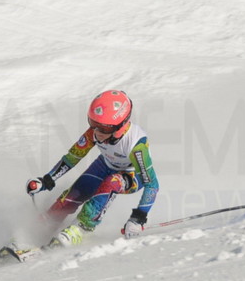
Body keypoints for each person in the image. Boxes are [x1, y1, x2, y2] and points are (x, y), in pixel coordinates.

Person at [26, 90, 159, 247]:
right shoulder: (94, 133)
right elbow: (72, 157)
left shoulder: (136, 145)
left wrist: (138, 219)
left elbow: (152, 184)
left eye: (104, 128)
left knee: (112, 182)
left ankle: (83, 227)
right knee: (72, 195)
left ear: (120, 126)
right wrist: (47, 180)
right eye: (93, 124)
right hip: (105, 165)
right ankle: (44, 226)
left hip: (132, 175)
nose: (97, 132)